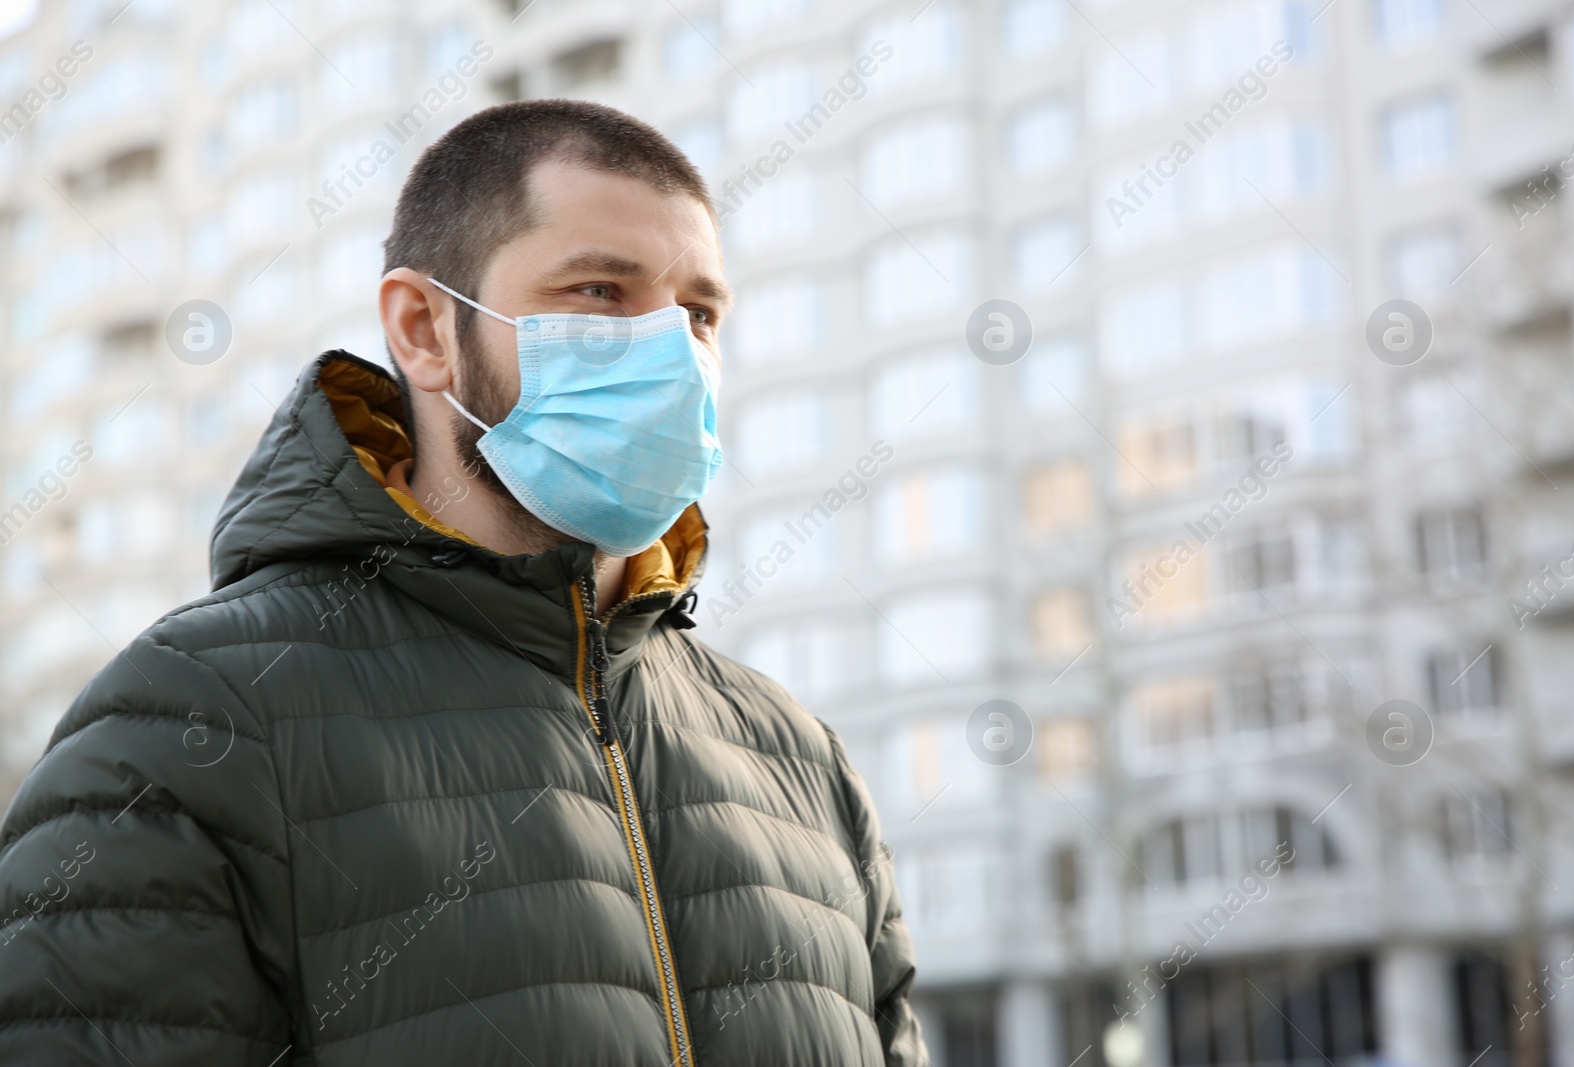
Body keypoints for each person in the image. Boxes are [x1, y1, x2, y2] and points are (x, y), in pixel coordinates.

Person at [0, 99, 927, 1066]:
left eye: (698, 312)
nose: (672, 354)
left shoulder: (801, 764)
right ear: (426, 327)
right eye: (602, 292)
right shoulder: (191, 725)